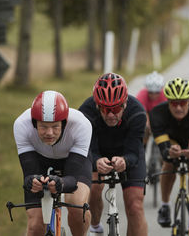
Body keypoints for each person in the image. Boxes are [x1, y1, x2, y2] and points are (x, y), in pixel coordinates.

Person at [13, 90, 92, 236]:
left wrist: (61, 183)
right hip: (40, 160)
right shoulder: (21, 125)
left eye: (55, 126)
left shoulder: (81, 125)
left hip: (72, 160)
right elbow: (29, 173)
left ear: (64, 123)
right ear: (34, 123)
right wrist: (33, 181)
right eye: (43, 126)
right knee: (35, 225)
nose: (49, 133)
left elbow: (73, 180)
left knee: (76, 207)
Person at [79, 72, 148, 236]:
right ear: (97, 106)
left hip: (127, 153)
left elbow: (134, 151)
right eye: (105, 109)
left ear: (124, 104)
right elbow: (85, 149)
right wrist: (96, 161)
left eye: (116, 108)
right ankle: (95, 225)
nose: (111, 114)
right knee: (94, 188)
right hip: (98, 151)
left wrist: (125, 160)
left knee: (135, 205)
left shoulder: (137, 112)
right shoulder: (85, 113)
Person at [149, 77, 189, 236]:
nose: (178, 108)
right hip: (173, 145)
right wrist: (169, 152)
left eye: (182, 103)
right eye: (174, 103)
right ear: (168, 102)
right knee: (169, 163)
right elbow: (163, 151)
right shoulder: (157, 114)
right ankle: (165, 205)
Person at [136, 71, 168, 146]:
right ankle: (142, 148)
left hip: (159, 117)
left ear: (160, 90)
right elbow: (142, 113)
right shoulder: (142, 94)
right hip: (147, 116)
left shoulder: (164, 95)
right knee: (143, 129)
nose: (153, 95)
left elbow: (165, 115)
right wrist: (148, 126)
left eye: (156, 92)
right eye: (151, 92)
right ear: (147, 90)